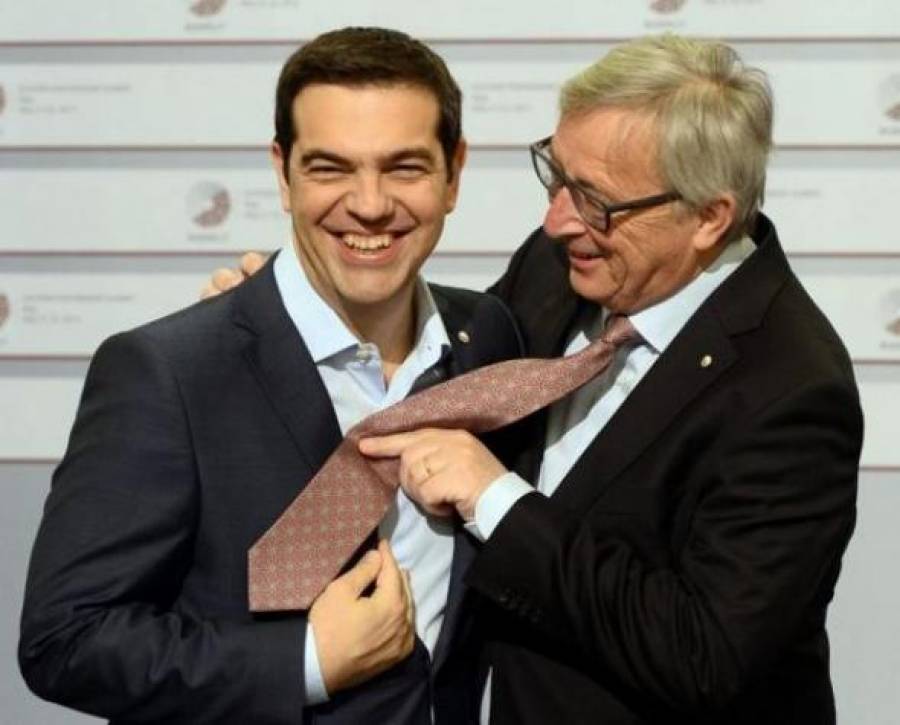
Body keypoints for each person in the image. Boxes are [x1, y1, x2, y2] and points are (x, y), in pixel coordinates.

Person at [211, 33, 863, 725]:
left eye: (595, 200)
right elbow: (447, 379)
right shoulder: (571, 263)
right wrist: (291, 319)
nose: (557, 221)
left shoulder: (792, 389)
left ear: (708, 217)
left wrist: (495, 500)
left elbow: (705, 655)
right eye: (557, 177)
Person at [18, 27, 523, 725]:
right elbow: (64, 639)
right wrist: (305, 659)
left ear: (454, 173)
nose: (370, 203)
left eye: (404, 167)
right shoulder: (170, 372)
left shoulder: (486, 338)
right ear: (283, 174)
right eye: (330, 168)